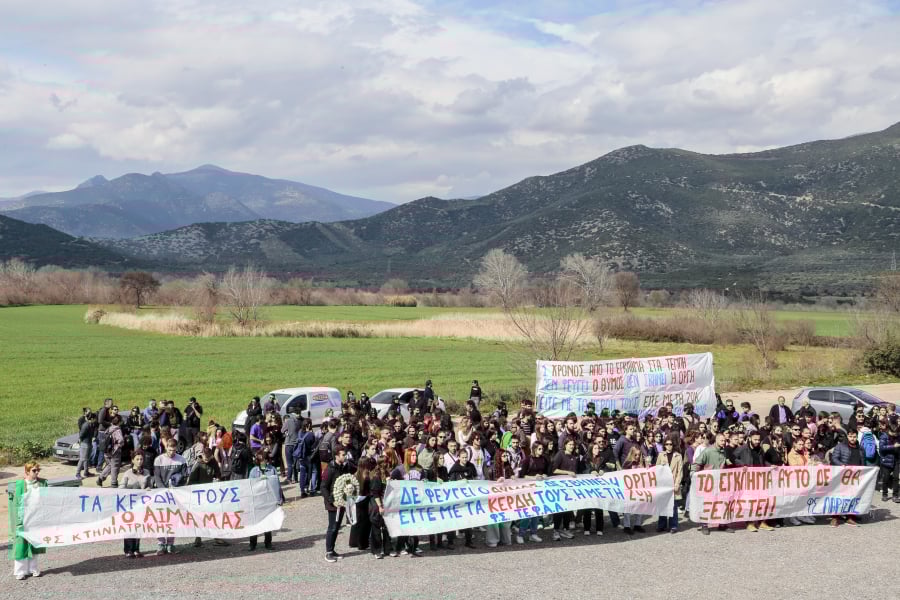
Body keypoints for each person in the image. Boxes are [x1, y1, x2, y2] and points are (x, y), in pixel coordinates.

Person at [9, 461, 47, 580]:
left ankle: (33, 568)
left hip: (36, 518)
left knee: (35, 544)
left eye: (38, 470)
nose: (36, 473)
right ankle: (20, 571)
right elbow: (13, 503)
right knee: (21, 545)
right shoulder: (19, 484)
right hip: (23, 518)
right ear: (27, 471)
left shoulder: (42, 483)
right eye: (34, 470)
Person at [153, 438, 186, 554]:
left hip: (175, 494)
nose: (172, 452)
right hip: (162, 494)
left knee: (173, 519)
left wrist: (177, 487)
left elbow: (184, 476)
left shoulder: (181, 460)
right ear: (166, 447)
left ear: (176, 449)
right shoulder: (159, 460)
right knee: (160, 519)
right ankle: (161, 543)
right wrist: (163, 490)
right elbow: (157, 476)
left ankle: (171, 544)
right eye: (170, 449)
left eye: (174, 450)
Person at [692, 432, 729, 535]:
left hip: (720, 482)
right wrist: (696, 475)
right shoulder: (707, 451)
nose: (723, 442)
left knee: (721, 503)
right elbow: (697, 464)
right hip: (708, 483)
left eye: (725, 440)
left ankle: (722, 524)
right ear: (716, 440)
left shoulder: (723, 452)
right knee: (707, 504)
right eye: (721, 440)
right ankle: (704, 525)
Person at [323, 446, 354, 563]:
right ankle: (328, 552)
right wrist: (331, 500)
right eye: (342, 455)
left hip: (342, 502)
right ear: (336, 456)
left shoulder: (345, 467)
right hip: (333, 503)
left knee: (336, 527)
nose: (345, 456)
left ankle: (332, 549)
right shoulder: (330, 469)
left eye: (345, 454)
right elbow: (323, 487)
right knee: (332, 527)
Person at [248, 450, 282, 550]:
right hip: (258, 500)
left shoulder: (272, 469)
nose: (263, 461)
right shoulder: (254, 471)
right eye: (260, 460)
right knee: (255, 523)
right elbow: (250, 486)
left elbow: (277, 484)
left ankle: (268, 543)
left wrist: (279, 499)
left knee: (268, 521)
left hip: (269, 500)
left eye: (264, 459)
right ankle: (252, 544)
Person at [120, 453, 151, 558]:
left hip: (141, 504)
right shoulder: (127, 473)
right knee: (129, 526)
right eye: (137, 459)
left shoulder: (146, 472)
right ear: (132, 460)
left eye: (141, 459)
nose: (139, 461)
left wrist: (148, 489)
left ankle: (136, 549)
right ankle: (128, 550)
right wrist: (132, 489)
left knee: (138, 526)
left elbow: (150, 486)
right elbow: (121, 488)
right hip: (129, 504)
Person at [447, 447, 478, 549]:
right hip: (457, 498)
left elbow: (476, 479)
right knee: (453, 520)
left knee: (469, 520)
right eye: (463, 457)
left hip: (468, 498)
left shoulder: (471, 467)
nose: (465, 459)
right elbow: (451, 483)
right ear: (459, 457)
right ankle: (450, 542)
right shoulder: (455, 469)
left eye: (466, 457)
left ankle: (468, 541)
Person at [551, 438, 579, 540]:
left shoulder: (574, 457)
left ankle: (566, 529)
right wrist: (567, 472)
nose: (572, 446)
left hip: (570, 487)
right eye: (570, 444)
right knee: (559, 509)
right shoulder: (560, 454)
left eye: (573, 444)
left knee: (568, 509)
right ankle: (556, 530)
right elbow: (554, 469)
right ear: (565, 445)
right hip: (559, 486)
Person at [656, 438, 683, 533]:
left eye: (670, 444)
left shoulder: (678, 456)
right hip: (663, 483)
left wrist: (677, 484)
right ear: (664, 445)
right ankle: (661, 525)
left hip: (673, 483)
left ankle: (673, 525)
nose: (669, 446)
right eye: (667, 444)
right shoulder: (661, 455)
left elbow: (680, 471)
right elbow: (657, 469)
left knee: (673, 506)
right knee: (662, 505)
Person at [97, 414, 125, 487]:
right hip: (115, 451)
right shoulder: (117, 430)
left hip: (106, 451)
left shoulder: (109, 428)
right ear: (119, 422)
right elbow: (121, 440)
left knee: (109, 465)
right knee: (115, 466)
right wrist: (119, 445)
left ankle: (100, 478)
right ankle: (114, 482)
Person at [878, 417, 900, 503]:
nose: (895, 434)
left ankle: (895, 495)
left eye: (896, 433)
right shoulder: (884, 436)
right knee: (886, 478)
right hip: (886, 460)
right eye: (893, 433)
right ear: (889, 430)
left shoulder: (898, 436)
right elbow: (881, 448)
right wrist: (893, 446)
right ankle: (885, 494)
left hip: (896, 460)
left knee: (896, 478)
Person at [75, 411, 96, 480]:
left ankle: (86, 472)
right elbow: (81, 435)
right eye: (95, 419)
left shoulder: (91, 424)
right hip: (84, 444)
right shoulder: (86, 425)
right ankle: (77, 474)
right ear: (92, 419)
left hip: (89, 443)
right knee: (82, 459)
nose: (95, 420)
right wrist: (79, 442)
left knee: (87, 459)